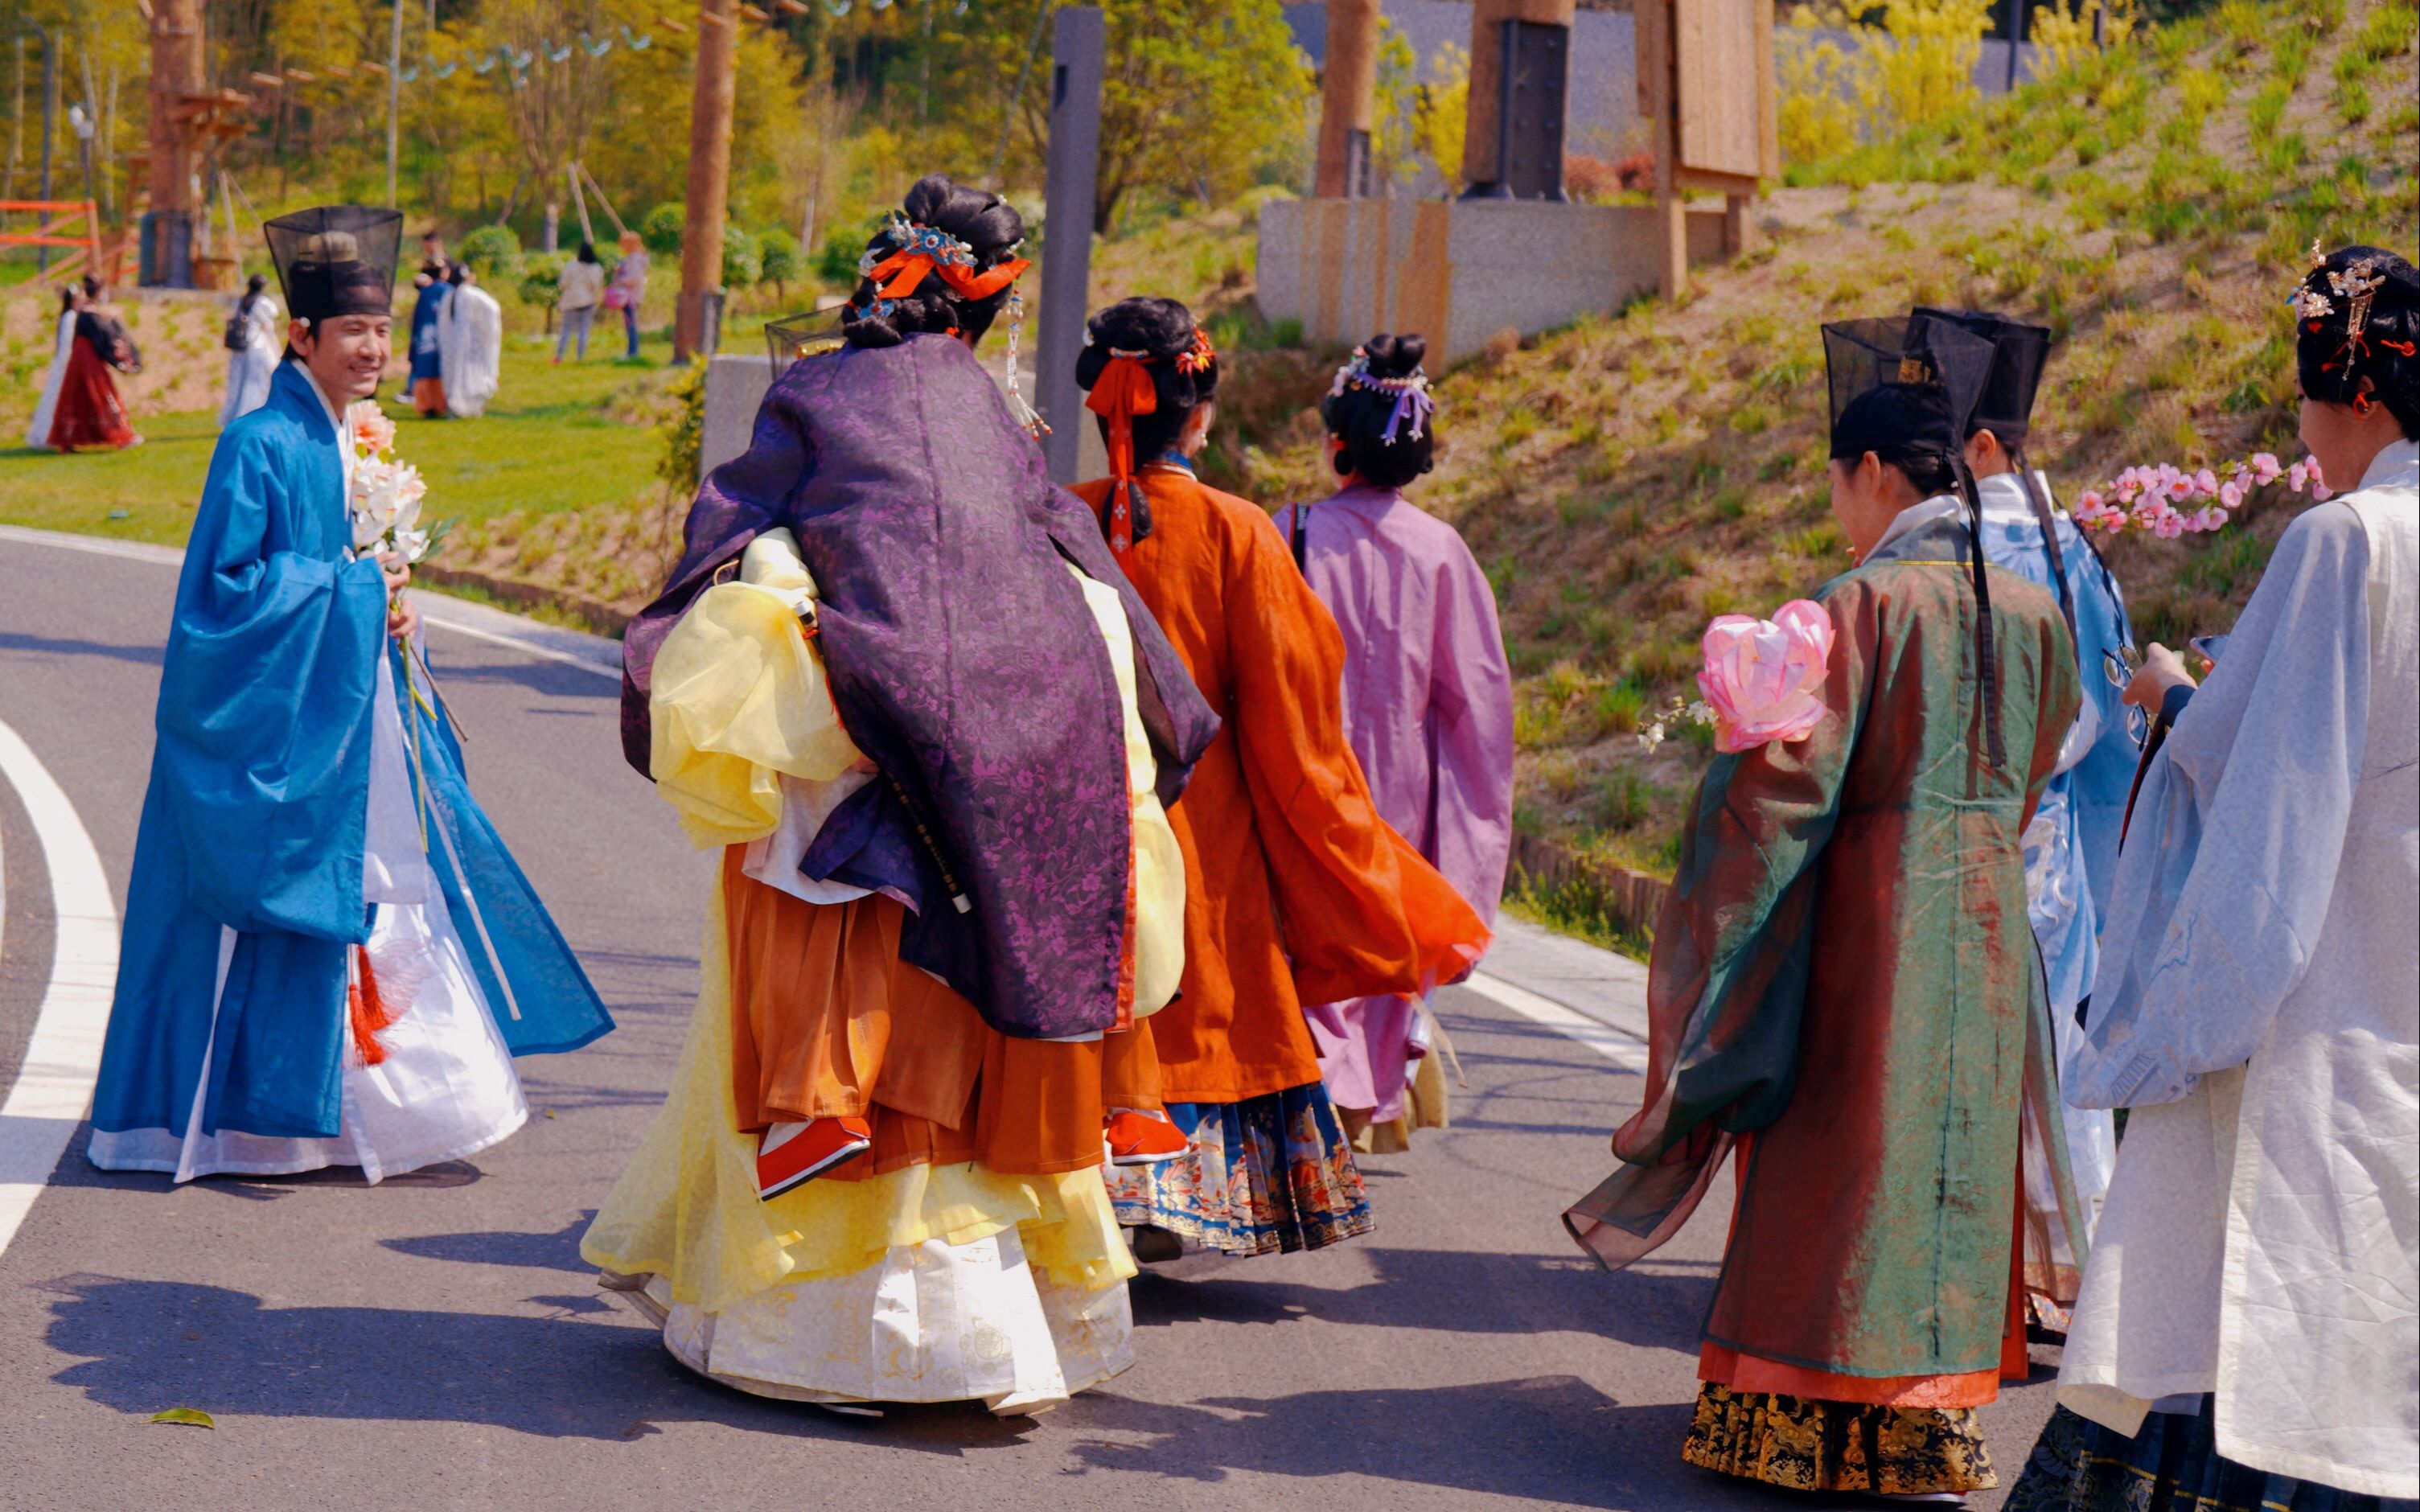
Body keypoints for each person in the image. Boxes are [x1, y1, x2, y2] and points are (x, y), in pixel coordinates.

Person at [588, 175, 1222, 1414]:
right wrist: (1156, 724)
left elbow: (728, 542)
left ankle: (826, 1336)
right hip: (1031, 748)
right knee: (982, 1011)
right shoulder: (999, 419)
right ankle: (1000, 1328)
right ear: (985, 312)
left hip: (861, 742)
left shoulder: (815, 393)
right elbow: (1088, 575)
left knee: (859, 1007)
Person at [1563, 315, 2085, 1507]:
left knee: (1837, 1146)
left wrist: (1729, 880)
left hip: (1869, 915)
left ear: (1869, 475)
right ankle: (1924, 1419)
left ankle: (1801, 1405)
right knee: (1946, 1149)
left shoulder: (1854, 608)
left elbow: (1785, 792)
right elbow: (2049, 754)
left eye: (1836, 482)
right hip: (1991, 918)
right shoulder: (2029, 606)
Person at [2007, 246, 2419, 1512]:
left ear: (2350, 395)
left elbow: (2268, 837)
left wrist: (2172, 1032)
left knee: (2248, 1359)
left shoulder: (2349, 546)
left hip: (2309, 1037)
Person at [87, 205, 614, 1185]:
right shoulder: (259, 444)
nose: (375, 348)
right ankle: (232, 1118)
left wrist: (377, 601)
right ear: (303, 337)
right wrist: (363, 592)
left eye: (382, 329)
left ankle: (352, 1101)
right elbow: (220, 602)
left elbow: (337, 568)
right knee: (276, 892)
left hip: (337, 707)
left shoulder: (346, 437)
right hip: (272, 725)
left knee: (371, 884)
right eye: (355, 332)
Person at [1070, 297, 1491, 1260]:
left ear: (1101, 409)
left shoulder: (1058, 519)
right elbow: (1295, 724)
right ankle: (1172, 1191)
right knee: (1203, 991)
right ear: (1202, 414)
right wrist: (1348, 849)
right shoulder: (1238, 531)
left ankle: (1070, 1181)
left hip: (1073, 827)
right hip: (1202, 834)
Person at [1908, 306, 2138, 1241]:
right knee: (2050, 1045)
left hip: (1960, 826)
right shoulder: (2070, 547)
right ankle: (2064, 1256)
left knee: (1955, 1044)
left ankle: (1973, 1256)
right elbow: (2104, 712)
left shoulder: (1950, 548)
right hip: (2048, 844)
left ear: (1986, 444)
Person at [1271, 334, 1514, 1152]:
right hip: (1403, 796)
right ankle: (1364, 1105)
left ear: (1338, 439)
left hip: (1307, 780)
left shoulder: (1291, 533)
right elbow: (1477, 711)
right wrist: (1472, 839)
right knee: (1383, 941)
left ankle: (1313, 1104)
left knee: (1309, 942)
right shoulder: (1444, 552)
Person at [47, 277, 141, 452]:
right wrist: (120, 362)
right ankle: (121, 436)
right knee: (103, 394)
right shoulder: (92, 316)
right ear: (98, 293)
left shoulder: (83, 313)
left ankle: (68, 441)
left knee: (76, 397)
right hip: (89, 359)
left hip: (78, 358)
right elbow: (105, 340)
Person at [439, 262, 503, 420]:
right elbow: (492, 309)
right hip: (472, 346)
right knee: (471, 376)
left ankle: (458, 408)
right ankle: (466, 408)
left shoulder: (450, 296)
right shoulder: (471, 295)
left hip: (456, 347)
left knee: (458, 375)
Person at [220, 273, 282, 425]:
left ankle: (238, 413)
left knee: (239, 382)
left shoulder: (240, 301)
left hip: (241, 348)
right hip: (257, 347)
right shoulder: (262, 303)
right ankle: (252, 411)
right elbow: (271, 319)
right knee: (257, 381)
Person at [24, 284, 78, 449]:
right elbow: (66, 343)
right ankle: (50, 433)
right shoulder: (71, 316)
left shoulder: (66, 316)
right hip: (64, 364)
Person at [407, 256, 451, 417]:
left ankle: (426, 405)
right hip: (443, 338)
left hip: (425, 338)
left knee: (425, 370)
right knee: (441, 370)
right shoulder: (449, 291)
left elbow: (417, 318)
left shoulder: (425, 292)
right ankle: (441, 405)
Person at [554, 240, 603, 364]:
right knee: (584, 331)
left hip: (571, 302)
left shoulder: (572, 266)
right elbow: (597, 286)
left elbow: (563, 283)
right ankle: (580, 358)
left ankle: (559, 356)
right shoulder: (597, 268)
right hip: (588, 302)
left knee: (566, 330)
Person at [607, 229, 647, 360]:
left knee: (631, 324)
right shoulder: (632, 258)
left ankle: (633, 353)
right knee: (630, 324)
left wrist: (619, 281)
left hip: (631, 297)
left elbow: (634, 278)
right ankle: (631, 351)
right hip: (630, 296)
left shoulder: (635, 260)